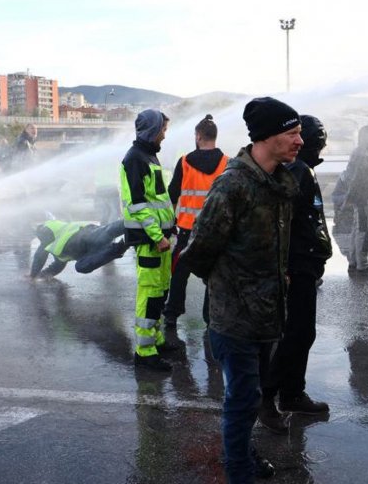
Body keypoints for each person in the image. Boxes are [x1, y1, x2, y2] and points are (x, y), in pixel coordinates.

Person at [179, 97, 302, 484]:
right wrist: (230, 287)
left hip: (269, 314)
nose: (299, 141)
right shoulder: (233, 185)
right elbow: (198, 250)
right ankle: (238, 472)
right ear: (267, 137)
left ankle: (244, 455)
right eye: (292, 133)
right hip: (235, 317)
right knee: (241, 400)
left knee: (250, 398)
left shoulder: (281, 183)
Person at [260, 114, 332, 433]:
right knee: (293, 334)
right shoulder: (296, 172)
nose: (318, 146)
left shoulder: (303, 170)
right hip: (297, 267)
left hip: (306, 264)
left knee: (302, 333)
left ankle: (291, 393)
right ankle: (268, 397)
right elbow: (279, 224)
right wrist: (286, 266)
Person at [119, 109, 177, 372]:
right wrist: (157, 236)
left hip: (161, 238)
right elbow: (138, 205)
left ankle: (156, 340)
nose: (165, 134)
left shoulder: (148, 156)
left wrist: (168, 231)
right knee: (150, 294)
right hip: (150, 240)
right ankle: (145, 352)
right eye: (163, 130)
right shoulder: (135, 159)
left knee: (161, 291)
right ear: (152, 130)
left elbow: (157, 200)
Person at [163, 114, 228, 328]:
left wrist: (169, 224)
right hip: (216, 230)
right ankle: (210, 317)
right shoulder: (228, 162)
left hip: (187, 228)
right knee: (213, 274)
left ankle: (172, 312)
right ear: (214, 137)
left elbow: (172, 195)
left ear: (198, 137)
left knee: (179, 271)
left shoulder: (184, 162)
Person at [30, 219, 127, 279]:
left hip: (86, 237)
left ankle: (134, 222)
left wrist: (33, 275)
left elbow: (40, 256)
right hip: (91, 252)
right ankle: (122, 246)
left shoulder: (47, 227)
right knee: (80, 267)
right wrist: (42, 275)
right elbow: (57, 266)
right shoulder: (55, 247)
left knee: (109, 231)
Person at [344, 125, 368, 277]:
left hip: (362, 197)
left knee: (358, 230)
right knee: (366, 231)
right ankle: (362, 265)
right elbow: (356, 178)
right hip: (364, 197)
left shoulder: (360, 152)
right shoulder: (362, 154)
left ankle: (354, 262)